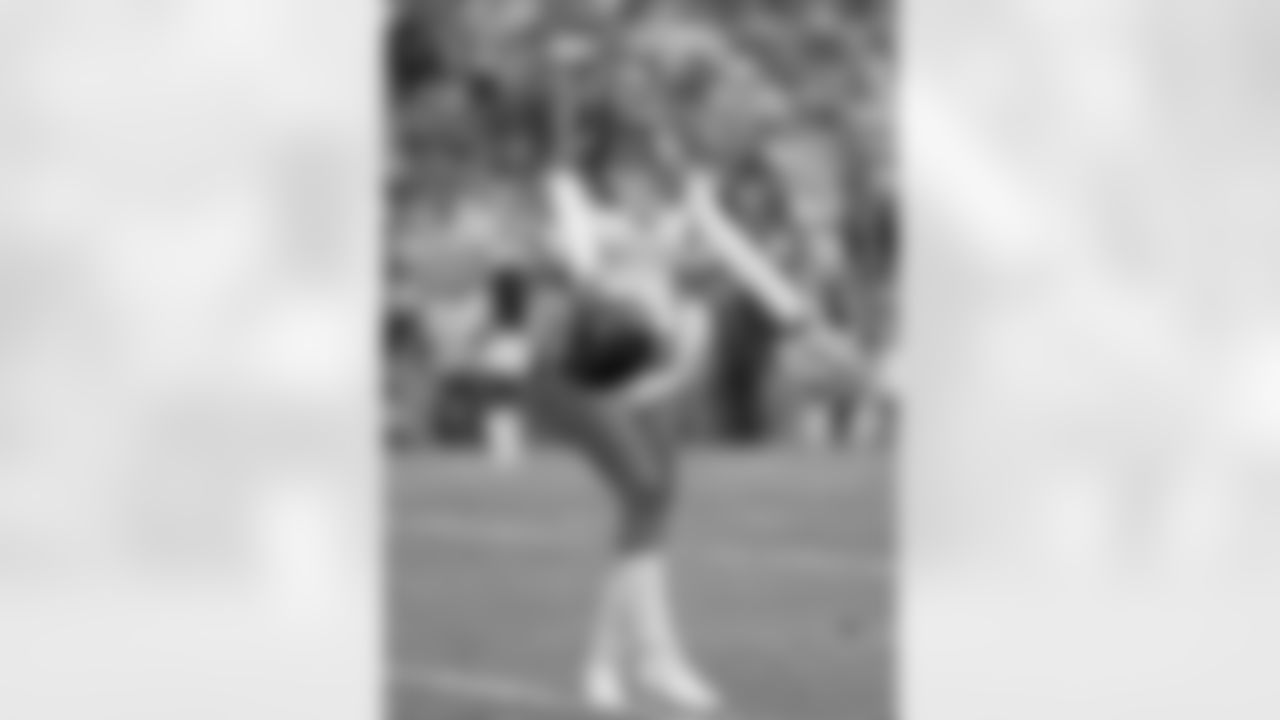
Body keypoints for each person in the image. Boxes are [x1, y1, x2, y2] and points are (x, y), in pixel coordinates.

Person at [522, 122, 863, 714]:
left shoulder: (686, 210)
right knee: (644, 489)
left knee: (651, 505)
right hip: (584, 368)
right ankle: (651, 659)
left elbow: (743, 258)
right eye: (626, 169)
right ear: (608, 174)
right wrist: (567, 207)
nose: (639, 181)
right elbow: (579, 258)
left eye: (651, 168)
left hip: (651, 369)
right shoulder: (588, 213)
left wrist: (810, 327)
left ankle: (613, 662)